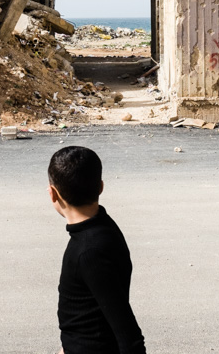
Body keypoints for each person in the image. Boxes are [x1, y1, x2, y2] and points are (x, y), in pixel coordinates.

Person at [47, 146, 146, 354]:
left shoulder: (89, 251)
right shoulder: (102, 226)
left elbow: (128, 334)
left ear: (53, 193)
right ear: (100, 187)